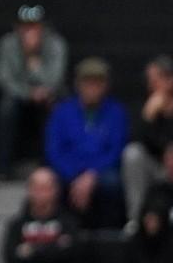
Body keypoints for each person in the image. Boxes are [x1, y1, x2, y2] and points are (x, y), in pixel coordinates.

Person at [44, 57, 127, 229]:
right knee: (48, 183)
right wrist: (75, 175)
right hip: (69, 170)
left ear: (105, 86)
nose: (92, 88)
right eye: (88, 83)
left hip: (101, 171)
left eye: (97, 83)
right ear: (78, 84)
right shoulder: (62, 111)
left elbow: (116, 150)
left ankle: (109, 232)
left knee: (112, 183)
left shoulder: (116, 112)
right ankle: (60, 230)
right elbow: (54, 150)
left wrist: (91, 175)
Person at [0, 5, 67, 179]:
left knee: (56, 107)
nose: (29, 31)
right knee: (7, 108)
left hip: (47, 95)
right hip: (19, 96)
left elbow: (55, 80)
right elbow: (4, 79)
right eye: (25, 26)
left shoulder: (56, 44)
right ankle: (2, 167)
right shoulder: (8, 43)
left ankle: (49, 167)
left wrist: (34, 63)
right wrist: (28, 93)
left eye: (34, 26)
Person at [122, 55, 173, 224]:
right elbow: (135, 141)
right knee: (132, 154)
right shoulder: (145, 109)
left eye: (156, 81)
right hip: (158, 168)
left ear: (172, 81)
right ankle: (136, 221)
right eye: (149, 81)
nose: (151, 86)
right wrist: (148, 116)